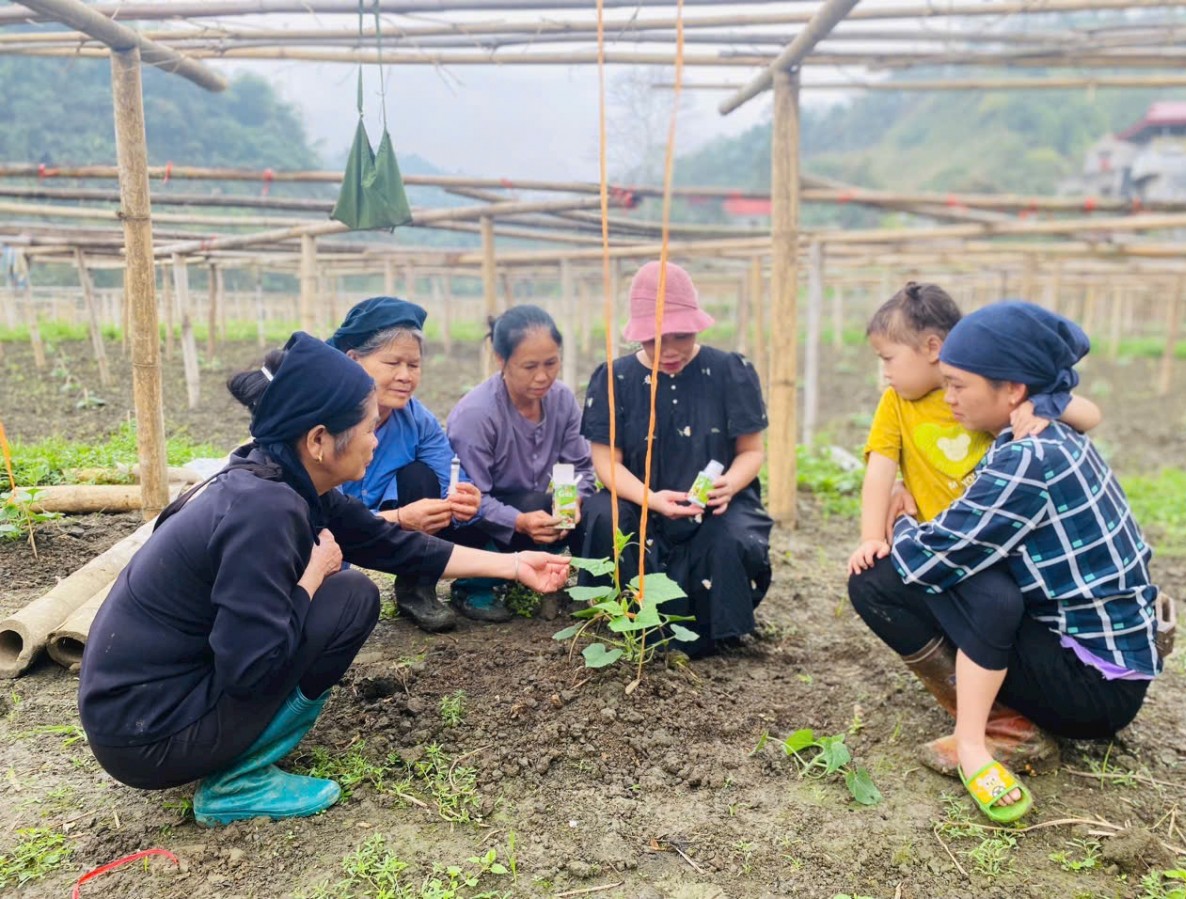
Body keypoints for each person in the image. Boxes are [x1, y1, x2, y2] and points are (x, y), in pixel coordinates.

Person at [78, 332, 569, 827]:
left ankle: (233, 757)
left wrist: (513, 564)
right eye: (368, 427)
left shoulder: (283, 477)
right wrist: (311, 578)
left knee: (349, 592)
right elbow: (250, 668)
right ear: (317, 441)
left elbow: (394, 544)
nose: (376, 440)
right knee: (346, 597)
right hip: (148, 736)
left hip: (152, 705)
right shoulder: (264, 512)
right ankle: (236, 782)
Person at [848, 302, 1162, 824]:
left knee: (878, 580)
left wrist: (899, 518)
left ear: (1013, 391)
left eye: (958, 385)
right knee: (987, 589)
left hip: (1092, 690)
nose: (947, 399)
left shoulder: (1026, 460)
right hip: (1113, 669)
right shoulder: (1045, 437)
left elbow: (928, 561)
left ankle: (996, 734)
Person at [578, 261, 772, 658]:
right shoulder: (614, 379)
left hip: (712, 503)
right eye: (654, 339)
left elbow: (751, 451)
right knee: (605, 515)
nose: (669, 351)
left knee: (733, 536)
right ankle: (624, 618)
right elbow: (606, 463)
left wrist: (730, 485)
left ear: (698, 327)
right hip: (638, 498)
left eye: (681, 336)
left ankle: (716, 629)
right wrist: (651, 499)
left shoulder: (729, 371)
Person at [328, 296, 482, 634]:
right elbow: (318, 523)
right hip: (320, 538)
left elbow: (449, 479)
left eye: (413, 365)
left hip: (368, 524)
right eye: (393, 363)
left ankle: (416, 590)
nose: (405, 376)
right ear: (354, 360)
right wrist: (400, 519)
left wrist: (465, 500)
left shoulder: (417, 420)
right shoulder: (325, 422)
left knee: (420, 475)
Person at [445, 305, 595, 621]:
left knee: (594, 507)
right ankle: (475, 585)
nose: (543, 377)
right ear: (502, 361)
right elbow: (469, 500)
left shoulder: (562, 400)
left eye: (551, 363)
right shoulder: (477, 414)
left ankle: (586, 586)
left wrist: (575, 499)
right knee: (518, 505)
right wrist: (519, 521)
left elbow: (582, 467)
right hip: (480, 519)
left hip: (532, 508)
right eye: (529, 366)